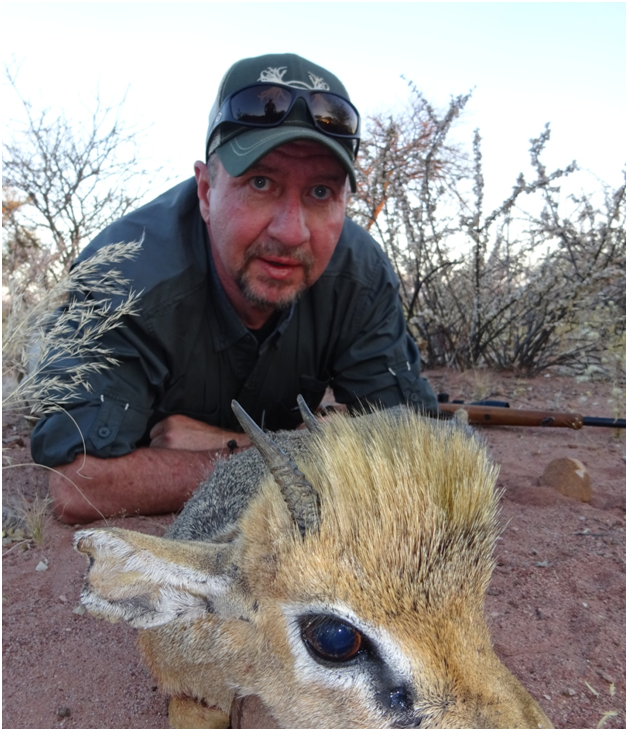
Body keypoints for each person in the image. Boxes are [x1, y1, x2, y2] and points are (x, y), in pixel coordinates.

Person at [30, 53, 437, 524]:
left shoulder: (359, 276)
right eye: (261, 183)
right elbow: (79, 482)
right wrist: (321, 449)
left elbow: (415, 449)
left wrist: (244, 448)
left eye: (321, 192)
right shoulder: (125, 276)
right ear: (206, 192)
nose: (291, 232)